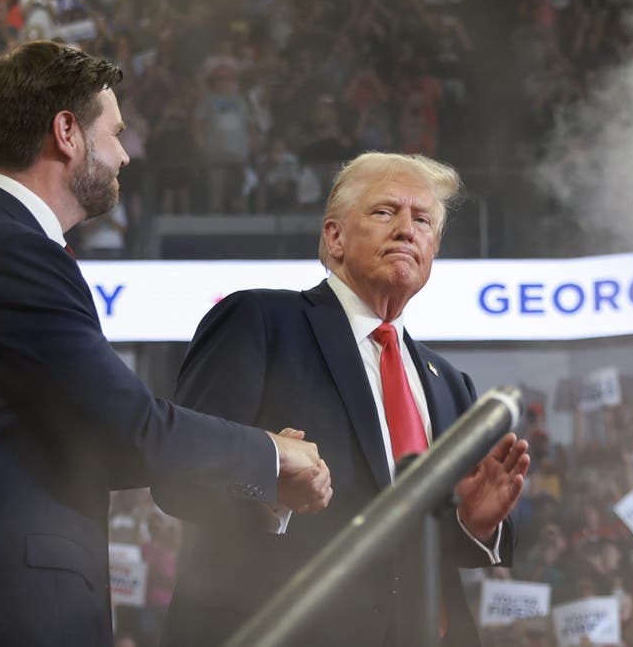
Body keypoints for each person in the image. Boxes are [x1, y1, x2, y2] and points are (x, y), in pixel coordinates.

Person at [0, 41, 331, 647]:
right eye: (115, 132)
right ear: (67, 132)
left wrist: (262, 479)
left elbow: (101, 446)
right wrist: (271, 454)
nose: (123, 155)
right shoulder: (9, 252)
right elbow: (132, 428)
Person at [153, 152, 531, 647]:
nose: (405, 230)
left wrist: (472, 523)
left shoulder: (450, 384)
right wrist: (268, 486)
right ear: (334, 238)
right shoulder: (260, 321)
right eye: (384, 212)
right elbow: (178, 476)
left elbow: (433, 545)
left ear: (433, 249)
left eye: (422, 220)